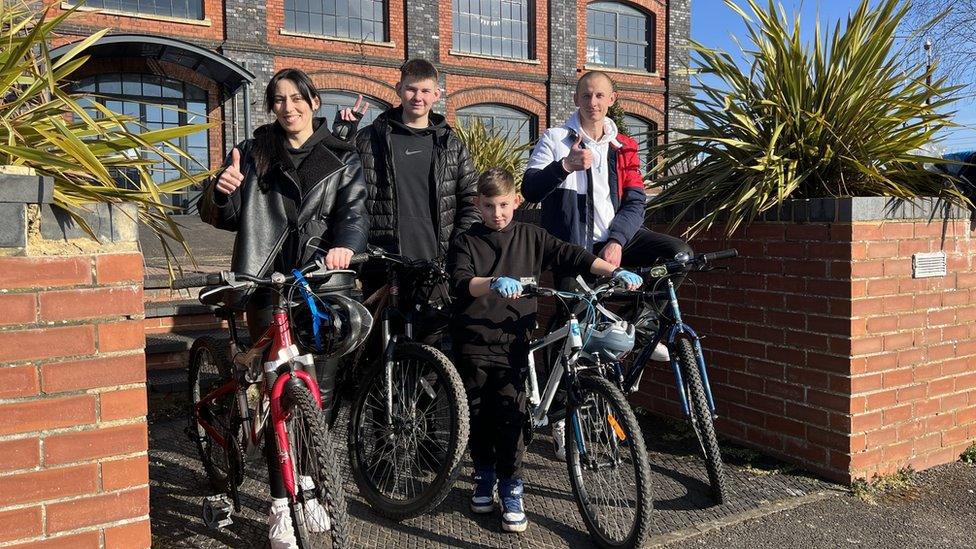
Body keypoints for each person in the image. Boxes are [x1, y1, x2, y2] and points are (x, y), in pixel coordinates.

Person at [198, 68, 368, 549]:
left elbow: (352, 215)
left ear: (314, 102)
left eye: (297, 98)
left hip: (319, 283)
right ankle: (278, 505)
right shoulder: (254, 152)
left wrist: (345, 249)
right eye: (279, 100)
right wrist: (223, 189)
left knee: (319, 397)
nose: (288, 107)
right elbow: (220, 216)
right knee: (275, 397)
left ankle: (311, 490)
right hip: (264, 282)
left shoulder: (342, 155)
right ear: (271, 107)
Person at [447, 167, 643, 533]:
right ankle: (484, 475)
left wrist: (612, 272)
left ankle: (511, 485)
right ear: (478, 204)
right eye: (488, 206)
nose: (497, 213)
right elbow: (460, 282)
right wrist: (491, 283)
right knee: (479, 414)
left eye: (504, 205)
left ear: (516, 201)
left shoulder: (532, 236)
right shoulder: (466, 240)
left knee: (512, 416)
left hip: (515, 343)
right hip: (474, 341)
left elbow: (573, 255)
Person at [521, 70, 690, 459]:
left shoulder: (624, 146)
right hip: (572, 249)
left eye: (600, 96)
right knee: (568, 326)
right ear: (576, 99)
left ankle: (641, 328)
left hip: (614, 241)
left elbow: (635, 202)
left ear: (611, 99)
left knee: (678, 257)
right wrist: (564, 166)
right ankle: (562, 417)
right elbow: (529, 189)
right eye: (586, 96)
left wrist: (617, 241)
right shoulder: (555, 140)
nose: (593, 103)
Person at [354, 57, 479, 344]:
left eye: (425, 91)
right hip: (383, 263)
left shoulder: (451, 144)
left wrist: (456, 250)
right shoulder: (367, 139)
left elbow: (470, 200)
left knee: (430, 349)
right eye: (411, 89)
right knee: (378, 350)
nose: (417, 97)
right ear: (398, 89)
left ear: (437, 94)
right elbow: (347, 195)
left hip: (435, 266)